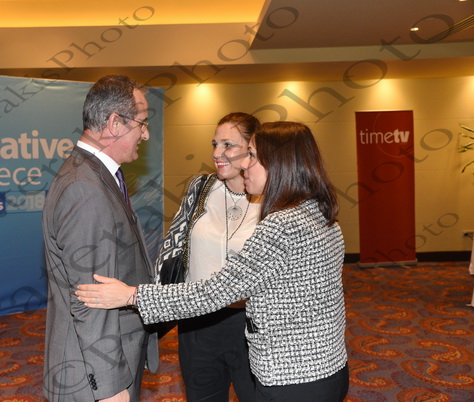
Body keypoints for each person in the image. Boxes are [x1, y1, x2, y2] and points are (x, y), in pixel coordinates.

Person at [77, 121, 350, 401]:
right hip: (326, 367)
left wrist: (131, 295)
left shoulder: (281, 225)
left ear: (279, 164)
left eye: (252, 156)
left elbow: (215, 292)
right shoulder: (319, 212)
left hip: (291, 378)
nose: (245, 164)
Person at [42, 75, 159, 402]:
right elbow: (91, 299)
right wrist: (110, 388)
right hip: (93, 375)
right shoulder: (85, 188)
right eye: (142, 123)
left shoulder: (95, 175)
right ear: (115, 123)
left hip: (107, 356)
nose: (146, 134)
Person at [155, 112, 260, 401]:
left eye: (228, 145)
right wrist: (157, 307)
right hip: (197, 320)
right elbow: (172, 248)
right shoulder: (200, 187)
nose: (216, 153)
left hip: (250, 322)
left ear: (252, 148)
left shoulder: (271, 196)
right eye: (215, 144)